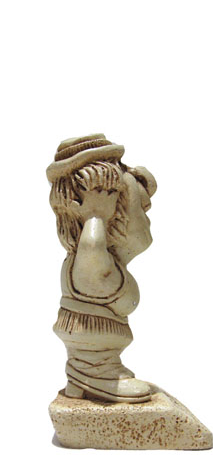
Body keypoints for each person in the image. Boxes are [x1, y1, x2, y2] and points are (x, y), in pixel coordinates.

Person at [47, 134, 157, 403]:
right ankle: (91, 375)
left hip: (101, 356)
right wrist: (95, 217)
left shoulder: (105, 261)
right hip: (93, 361)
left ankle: (95, 372)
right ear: (110, 208)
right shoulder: (91, 256)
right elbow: (92, 244)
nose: (147, 217)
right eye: (140, 208)